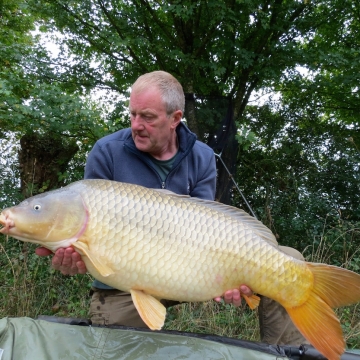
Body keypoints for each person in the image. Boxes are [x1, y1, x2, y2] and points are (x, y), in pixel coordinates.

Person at [36, 70, 306, 344]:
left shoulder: (202, 156)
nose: (136, 125)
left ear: (175, 118)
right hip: (126, 282)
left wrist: (230, 276)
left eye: (148, 117)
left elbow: (208, 224)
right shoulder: (106, 152)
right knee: (116, 347)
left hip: (188, 269)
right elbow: (86, 236)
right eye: (133, 114)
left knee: (288, 262)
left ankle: (288, 352)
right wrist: (76, 260)